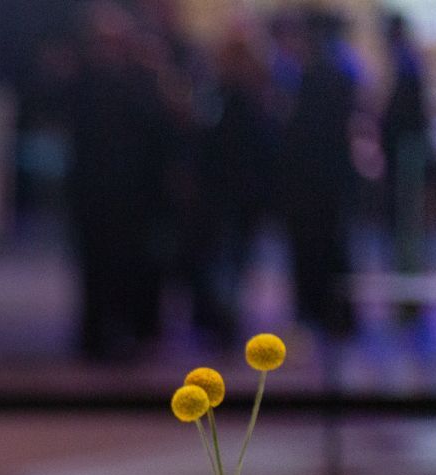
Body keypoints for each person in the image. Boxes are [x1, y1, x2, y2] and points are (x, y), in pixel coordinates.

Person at [64, 2, 176, 360]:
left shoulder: (139, 81)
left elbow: (159, 135)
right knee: (95, 271)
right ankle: (96, 336)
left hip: (132, 197)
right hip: (95, 195)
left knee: (131, 267)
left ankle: (128, 333)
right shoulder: (84, 81)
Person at [190, 25, 277, 341]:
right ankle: (222, 319)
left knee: (231, 261)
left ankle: (224, 320)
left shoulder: (239, 96)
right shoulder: (226, 95)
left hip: (234, 192)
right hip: (227, 193)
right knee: (227, 261)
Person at [280, 8, 360, 337]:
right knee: (331, 248)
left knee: (318, 249)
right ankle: (335, 315)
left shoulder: (314, 78)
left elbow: (305, 136)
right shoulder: (338, 75)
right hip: (326, 181)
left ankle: (321, 313)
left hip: (312, 183)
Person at [381, 12, 429, 282]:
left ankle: (408, 277)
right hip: (407, 147)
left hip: (407, 149)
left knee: (408, 216)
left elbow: (403, 114)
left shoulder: (406, 62)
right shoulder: (407, 60)